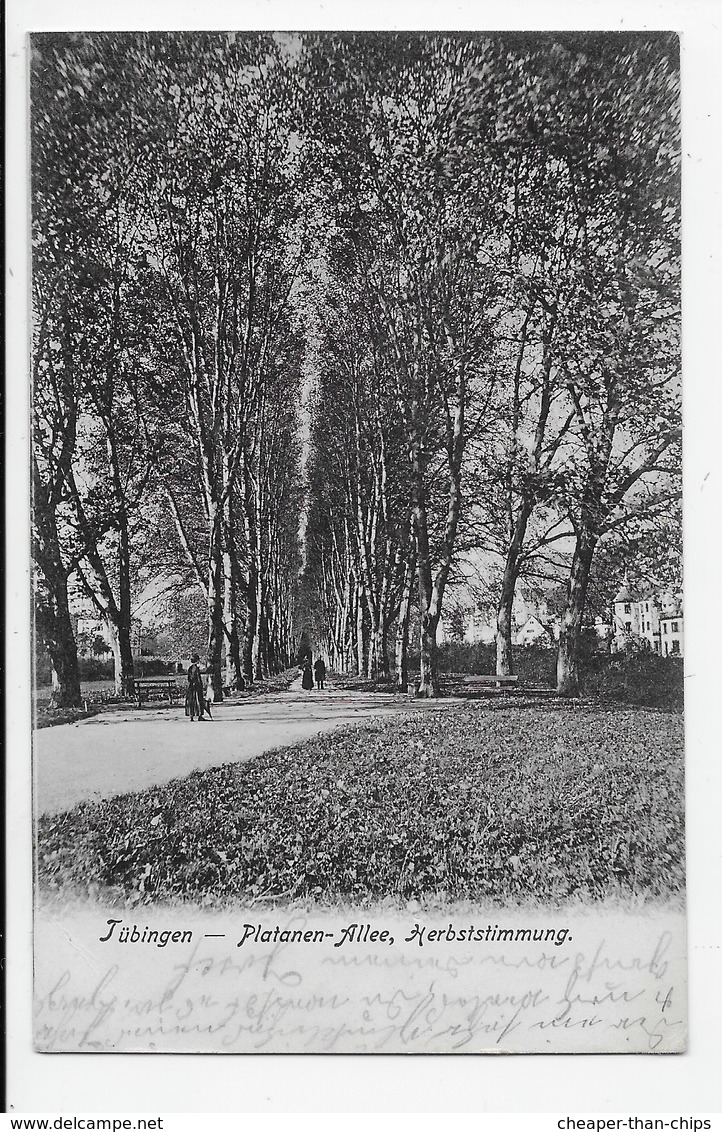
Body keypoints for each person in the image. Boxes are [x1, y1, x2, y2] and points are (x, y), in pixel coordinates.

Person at [185, 653, 205, 721]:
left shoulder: (190, 668)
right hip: (196, 686)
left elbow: (189, 678)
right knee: (198, 700)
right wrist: (201, 685)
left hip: (190, 686)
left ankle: (191, 716)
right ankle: (199, 715)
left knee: (191, 701)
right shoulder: (196, 668)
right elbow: (198, 678)